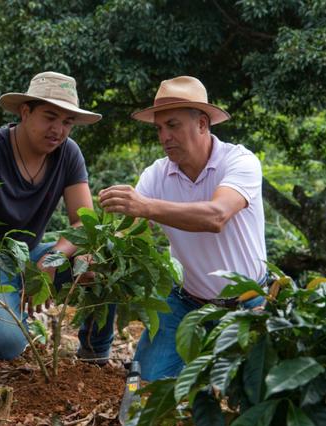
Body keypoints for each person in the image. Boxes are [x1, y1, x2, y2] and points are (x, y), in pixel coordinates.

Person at [99, 76, 267, 380]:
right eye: (159, 129)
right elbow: (127, 234)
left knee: (252, 391)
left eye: (173, 125)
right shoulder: (157, 175)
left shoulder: (239, 161)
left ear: (202, 124)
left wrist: (145, 206)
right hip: (185, 301)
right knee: (146, 383)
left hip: (249, 302)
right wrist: (100, 257)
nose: (164, 137)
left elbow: (216, 216)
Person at [0, 71, 114, 362]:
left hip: (29, 256)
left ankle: (94, 353)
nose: (58, 130)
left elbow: (84, 224)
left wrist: (52, 260)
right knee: (8, 344)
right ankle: (2, 328)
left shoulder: (68, 154)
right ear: (25, 112)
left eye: (67, 122)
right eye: (50, 117)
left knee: (103, 262)